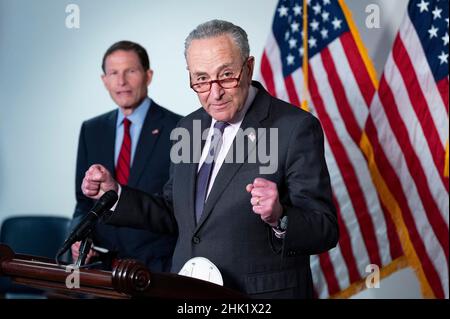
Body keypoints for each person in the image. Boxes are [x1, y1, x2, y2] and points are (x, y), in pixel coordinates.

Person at [81, 20, 338, 298]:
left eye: (226, 75)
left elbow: (324, 228)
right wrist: (116, 195)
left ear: (248, 67)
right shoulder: (187, 128)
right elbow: (173, 212)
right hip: (188, 294)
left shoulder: (294, 127)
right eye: (201, 79)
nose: (214, 93)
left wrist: (280, 217)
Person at [71, 40, 181, 272]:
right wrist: (80, 236)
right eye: (113, 73)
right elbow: (83, 202)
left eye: (130, 71)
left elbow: (177, 209)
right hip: (102, 268)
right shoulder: (92, 129)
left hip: (157, 268)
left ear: (148, 76)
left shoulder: (180, 129)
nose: (121, 82)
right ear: (104, 80)